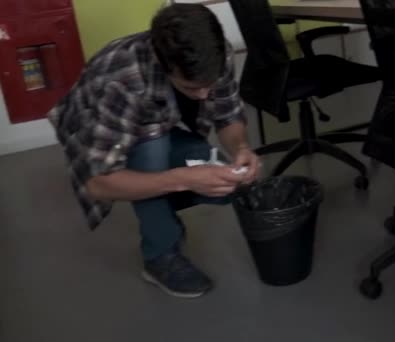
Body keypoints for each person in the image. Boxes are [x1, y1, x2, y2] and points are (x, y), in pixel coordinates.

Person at [48, 3, 261, 298]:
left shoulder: (214, 54)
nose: (204, 94)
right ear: (164, 65)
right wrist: (184, 179)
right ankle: (159, 255)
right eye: (192, 87)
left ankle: (159, 201)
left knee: (224, 185)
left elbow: (227, 115)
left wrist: (241, 148)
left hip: (161, 120)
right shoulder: (121, 82)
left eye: (209, 85)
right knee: (152, 155)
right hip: (103, 135)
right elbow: (98, 184)